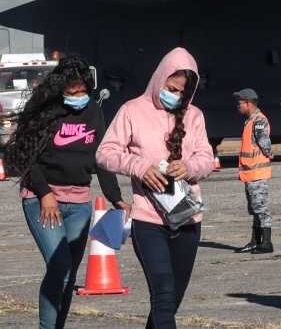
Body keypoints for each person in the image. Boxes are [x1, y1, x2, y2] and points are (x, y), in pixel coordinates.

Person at [4, 55, 131, 329]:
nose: (79, 97)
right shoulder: (43, 110)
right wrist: (44, 192)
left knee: (69, 276)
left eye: (83, 91)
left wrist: (116, 198)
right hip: (42, 201)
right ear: (60, 88)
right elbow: (27, 156)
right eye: (72, 92)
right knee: (59, 267)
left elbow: (103, 158)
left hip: (80, 204)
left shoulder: (94, 113)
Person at [96, 48, 213, 329]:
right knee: (162, 292)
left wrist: (189, 166)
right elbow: (105, 153)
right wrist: (139, 167)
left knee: (172, 300)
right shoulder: (132, 111)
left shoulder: (194, 116)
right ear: (159, 78)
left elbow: (207, 159)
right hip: (148, 220)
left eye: (181, 93)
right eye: (171, 88)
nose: (174, 95)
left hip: (187, 218)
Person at [234, 88, 274, 254]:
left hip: (257, 173)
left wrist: (270, 153)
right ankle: (255, 241)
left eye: (240, 103)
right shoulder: (251, 120)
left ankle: (266, 243)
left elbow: (264, 141)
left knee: (261, 209)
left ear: (248, 103)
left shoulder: (258, 120)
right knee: (255, 209)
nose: (238, 106)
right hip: (250, 174)